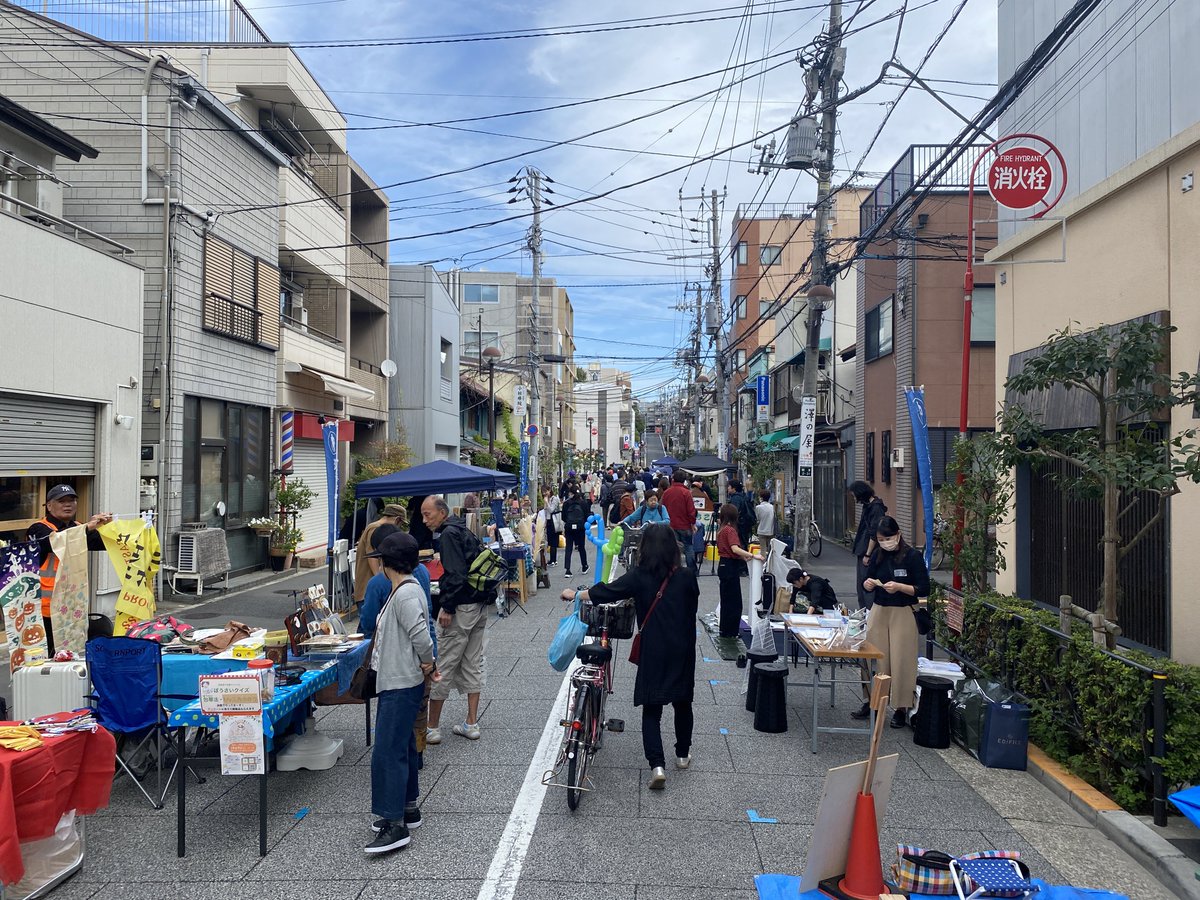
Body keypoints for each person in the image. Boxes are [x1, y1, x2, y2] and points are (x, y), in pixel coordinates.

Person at [564, 523, 699, 790]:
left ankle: (657, 765)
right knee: (682, 702)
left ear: (644, 549)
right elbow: (691, 609)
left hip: (654, 647)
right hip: (682, 647)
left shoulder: (640, 576)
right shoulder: (686, 576)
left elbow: (606, 591)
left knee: (652, 708)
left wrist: (576, 594)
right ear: (674, 549)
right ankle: (682, 755)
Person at [363, 531, 438, 854]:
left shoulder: (405, 593)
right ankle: (408, 807)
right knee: (404, 746)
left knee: (387, 751)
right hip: (403, 678)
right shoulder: (407, 588)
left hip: (400, 679)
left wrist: (428, 662)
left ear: (387, 563)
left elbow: (421, 635)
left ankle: (395, 824)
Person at [421, 497, 489, 744]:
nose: (424, 519)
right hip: (479, 605)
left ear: (441, 512)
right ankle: (471, 724)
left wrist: (447, 607)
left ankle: (432, 727)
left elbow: (456, 574)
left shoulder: (449, 534)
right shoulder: (462, 528)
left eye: (428, 514)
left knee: (445, 664)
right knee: (473, 662)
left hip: (460, 607)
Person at [857, 516, 928, 728]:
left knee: (901, 660)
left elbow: (924, 588)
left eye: (887, 537)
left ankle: (901, 707)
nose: (885, 542)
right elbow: (866, 581)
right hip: (880, 608)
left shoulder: (912, 556)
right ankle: (872, 701)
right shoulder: (878, 554)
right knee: (873, 656)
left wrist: (900, 587)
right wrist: (868, 584)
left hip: (903, 610)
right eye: (880, 538)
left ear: (898, 534)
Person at [27, 484, 111, 655]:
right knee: (47, 655)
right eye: (62, 501)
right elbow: (50, 542)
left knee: (70, 652)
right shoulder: (38, 528)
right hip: (45, 607)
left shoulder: (78, 527)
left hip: (72, 604)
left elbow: (106, 543)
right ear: (49, 506)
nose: (68, 504)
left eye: (72, 500)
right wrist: (86, 528)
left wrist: (109, 528)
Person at [716, 503, 760, 638]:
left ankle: (725, 629)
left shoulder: (722, 529)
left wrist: (743, 557)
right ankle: (732, 631)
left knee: (726, 600)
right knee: (734, 602)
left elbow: (730, 549)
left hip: (723, 564)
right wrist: (751, 555)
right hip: (730, 566)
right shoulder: (730, 530)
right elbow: (734, 548)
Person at [354, 503, 406, 604]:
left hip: (371, 589)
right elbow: (372, 557)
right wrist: (383, 582)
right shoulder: (375, 528)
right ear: (397, 520)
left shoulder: (374, 527)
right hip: (368, 590)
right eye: (401, 523)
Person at [849, 481, 888, 611]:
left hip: (869, 551)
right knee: (861, 584)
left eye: (855, 495)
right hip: (863, 549)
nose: (854, 498)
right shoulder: (868, 506)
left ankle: (869, 613)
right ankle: (864, 612)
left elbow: (874, 533)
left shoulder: (876, 508)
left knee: (867, 583)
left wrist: (868, 554)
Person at [661, 470, 698, 575]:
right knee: (688, 548)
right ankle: (692, 571)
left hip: (670, 525)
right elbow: (691, 511)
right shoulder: (686, 493)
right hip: (685, 525)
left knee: (673, 548)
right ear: (684, 480)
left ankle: (673, 569)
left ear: (673, 479)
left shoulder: (667, 492)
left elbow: (662, 507)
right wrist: (693, 523)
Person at [561, 485, 591, 579]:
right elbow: (587, 515)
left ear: (571, 493)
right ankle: (584, 566)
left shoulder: (566, 503)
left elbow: (563, 517)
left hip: (569, 527)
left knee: (569, 548)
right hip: (580, 527)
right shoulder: (583, 502)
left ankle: (568, 570)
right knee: (581, 547)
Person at [727, 480, 756, 549]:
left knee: (738, 544)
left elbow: (734, 512)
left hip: (739, 525)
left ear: (734, 488)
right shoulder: (743, 496)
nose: (728, 488)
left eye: (729, 486)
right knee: (744, 544)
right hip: (746, 524)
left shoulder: (735, 498)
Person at [542, 487, 561, 568]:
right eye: (543, 492)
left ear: (549, 490)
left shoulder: (555, 499)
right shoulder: (548, 499)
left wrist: (546, 502)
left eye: (545, 491)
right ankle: (552, 559)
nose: (544, 494)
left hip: (554, 522)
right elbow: (545, 511)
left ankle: (554, 560)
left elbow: (551, 510)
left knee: (554, 541)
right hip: (549, 522)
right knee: (550, 541)